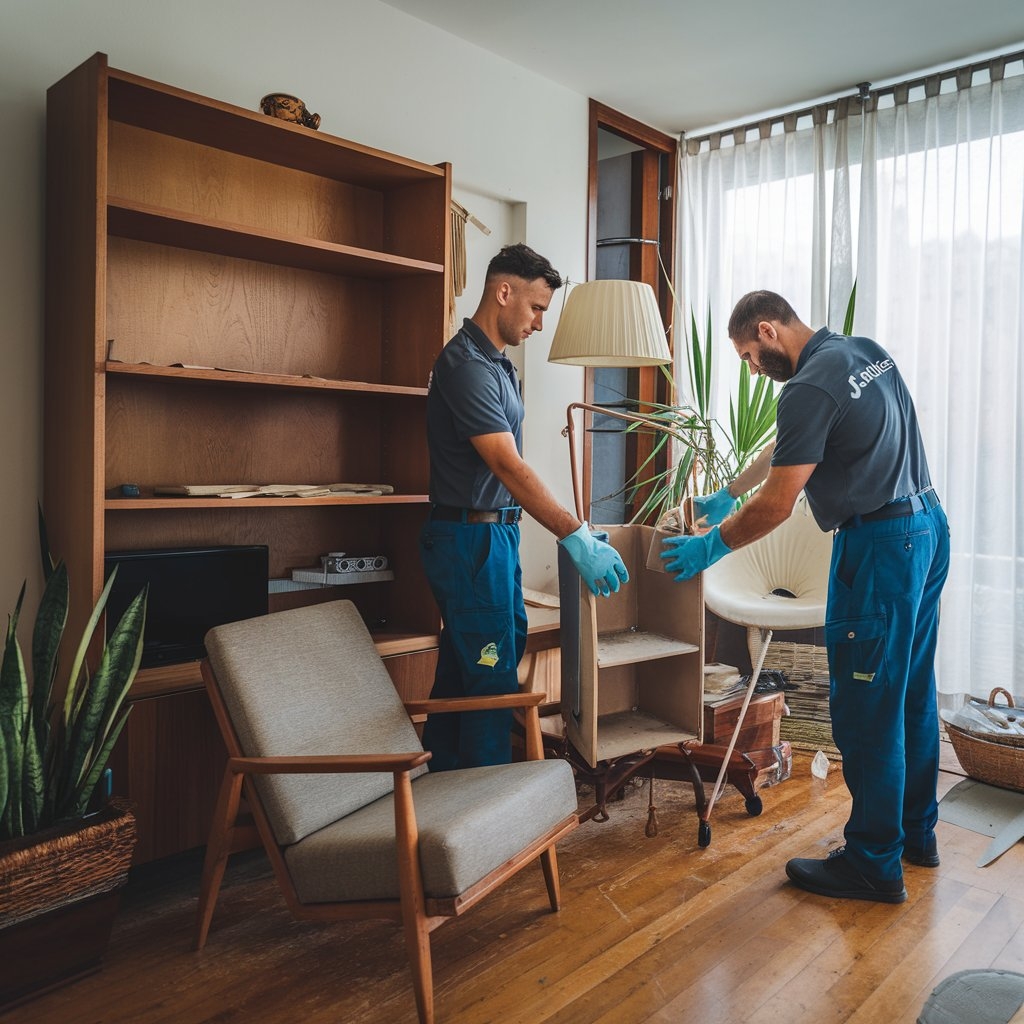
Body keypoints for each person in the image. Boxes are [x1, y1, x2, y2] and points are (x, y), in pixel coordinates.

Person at [662, 290, 950, 904]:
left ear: (768, 330)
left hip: (880, 548)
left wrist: (713, 544)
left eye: (747, 355)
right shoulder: (858, 353)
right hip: (926, 527)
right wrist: (728, 491)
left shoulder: (806, 387)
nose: (750, 369)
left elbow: (778, 503)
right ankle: (914, 837)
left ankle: (873, 864)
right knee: (912, 694)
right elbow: (789, 446)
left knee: (868, 712)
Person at [420, 243, 629, 771]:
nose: (539, 323)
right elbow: (508, 466)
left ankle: (441, 808)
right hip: (470, 540)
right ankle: (489, 829)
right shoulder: (466, 366)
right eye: (536, 308)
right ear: (503, 291)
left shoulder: (498, 366)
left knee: (466, 674)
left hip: (495, 537)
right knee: (490, 681)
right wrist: (574, 532)